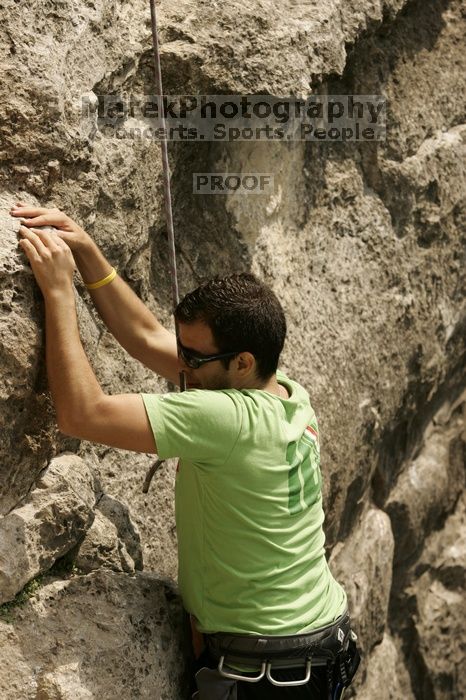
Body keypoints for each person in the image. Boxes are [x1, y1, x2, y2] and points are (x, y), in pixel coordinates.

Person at [10, 202, 360, 699]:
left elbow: (81, 414)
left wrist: (60, 291)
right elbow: (148, 336)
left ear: (241, 361)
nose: (183, 367)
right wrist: (86, 250)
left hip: (270, 674)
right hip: (314, 646)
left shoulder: (226, 418)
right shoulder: (287, 394)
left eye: (194, 357)